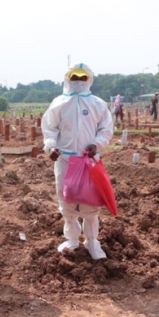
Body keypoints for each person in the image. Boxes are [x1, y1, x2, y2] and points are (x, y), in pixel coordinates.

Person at [41, 63, 114, 259]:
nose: (79, 82)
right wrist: (51, 146)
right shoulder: (59, 103)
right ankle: (72, 239)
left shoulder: (98, 104)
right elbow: (50, 129)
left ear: (89, 79)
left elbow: (106, 129)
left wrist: (97, 145)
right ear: (68, 79)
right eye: (75, 78)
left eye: (82, 78)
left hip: (88, 160)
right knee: (66, 200)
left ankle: (92, 241)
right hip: (65, 159)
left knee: (91, 203)